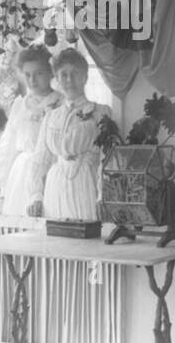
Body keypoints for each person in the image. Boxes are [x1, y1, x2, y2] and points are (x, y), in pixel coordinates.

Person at [26, 48, 113, 222]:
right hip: (56, 185)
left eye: (75, 73)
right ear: (56, 79)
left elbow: (108, 158)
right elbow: (40, 160)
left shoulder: (101, 113)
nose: (69, 80)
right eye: (63, 74)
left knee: (86, 237)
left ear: (85, 77)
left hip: (85, 182)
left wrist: (102, 195)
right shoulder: (51, 116)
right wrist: (36, 196)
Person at [0, 45, 64, 215]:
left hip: (51, 168)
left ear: (50, 73)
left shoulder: (61, 103)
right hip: (22, 173)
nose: (32, 80)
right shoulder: (20, 104)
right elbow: (8, 144)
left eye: (38, 73)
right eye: (27, 75)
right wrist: (4, 189)